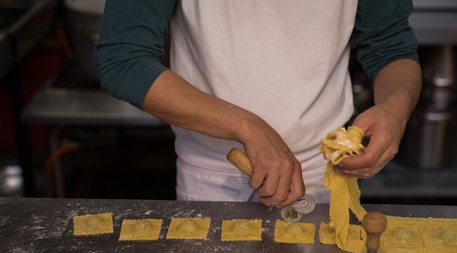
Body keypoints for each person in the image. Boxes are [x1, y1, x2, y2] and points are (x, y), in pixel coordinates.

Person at [95, 0, 421, 208]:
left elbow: (390, 45)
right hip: (213, 174)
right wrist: (249, 127)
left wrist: (395, 109)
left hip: (323, 172)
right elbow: (124, 60)